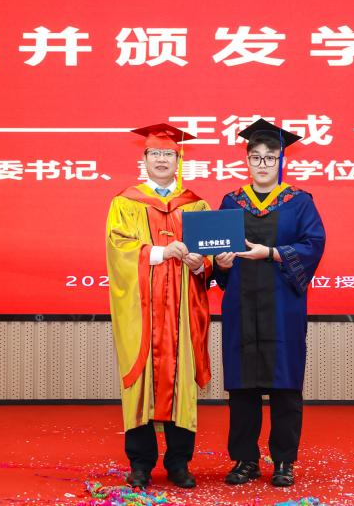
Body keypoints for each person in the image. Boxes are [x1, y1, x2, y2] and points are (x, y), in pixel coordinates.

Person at [213, 119, 326, 488]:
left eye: (270, 158)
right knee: (242, 387)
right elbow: (218, 252)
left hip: (283, 307)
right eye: (256, 157)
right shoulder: (232, 202)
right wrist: (221, 264)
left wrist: (272, 252)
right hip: (241, 305)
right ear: (247, 160)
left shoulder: (299, 202)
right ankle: (245, 460)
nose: (262, 165)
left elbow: (313, 244)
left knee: (285, 386)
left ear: (281, 161)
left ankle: (283, 461)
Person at [105, 123, 212, 490]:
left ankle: (179, 463)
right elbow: (118, 249)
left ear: (178, 160)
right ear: (145, 159)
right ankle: (140, 464)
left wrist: (199, 264)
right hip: (143, 311)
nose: (162, 159)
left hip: (183, 309)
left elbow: (210, 258)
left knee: (182, 380)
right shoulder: (125, 203)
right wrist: (161, 252)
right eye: (156, 154)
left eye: (169, 153)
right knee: (141, 383)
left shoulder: (196, 205)